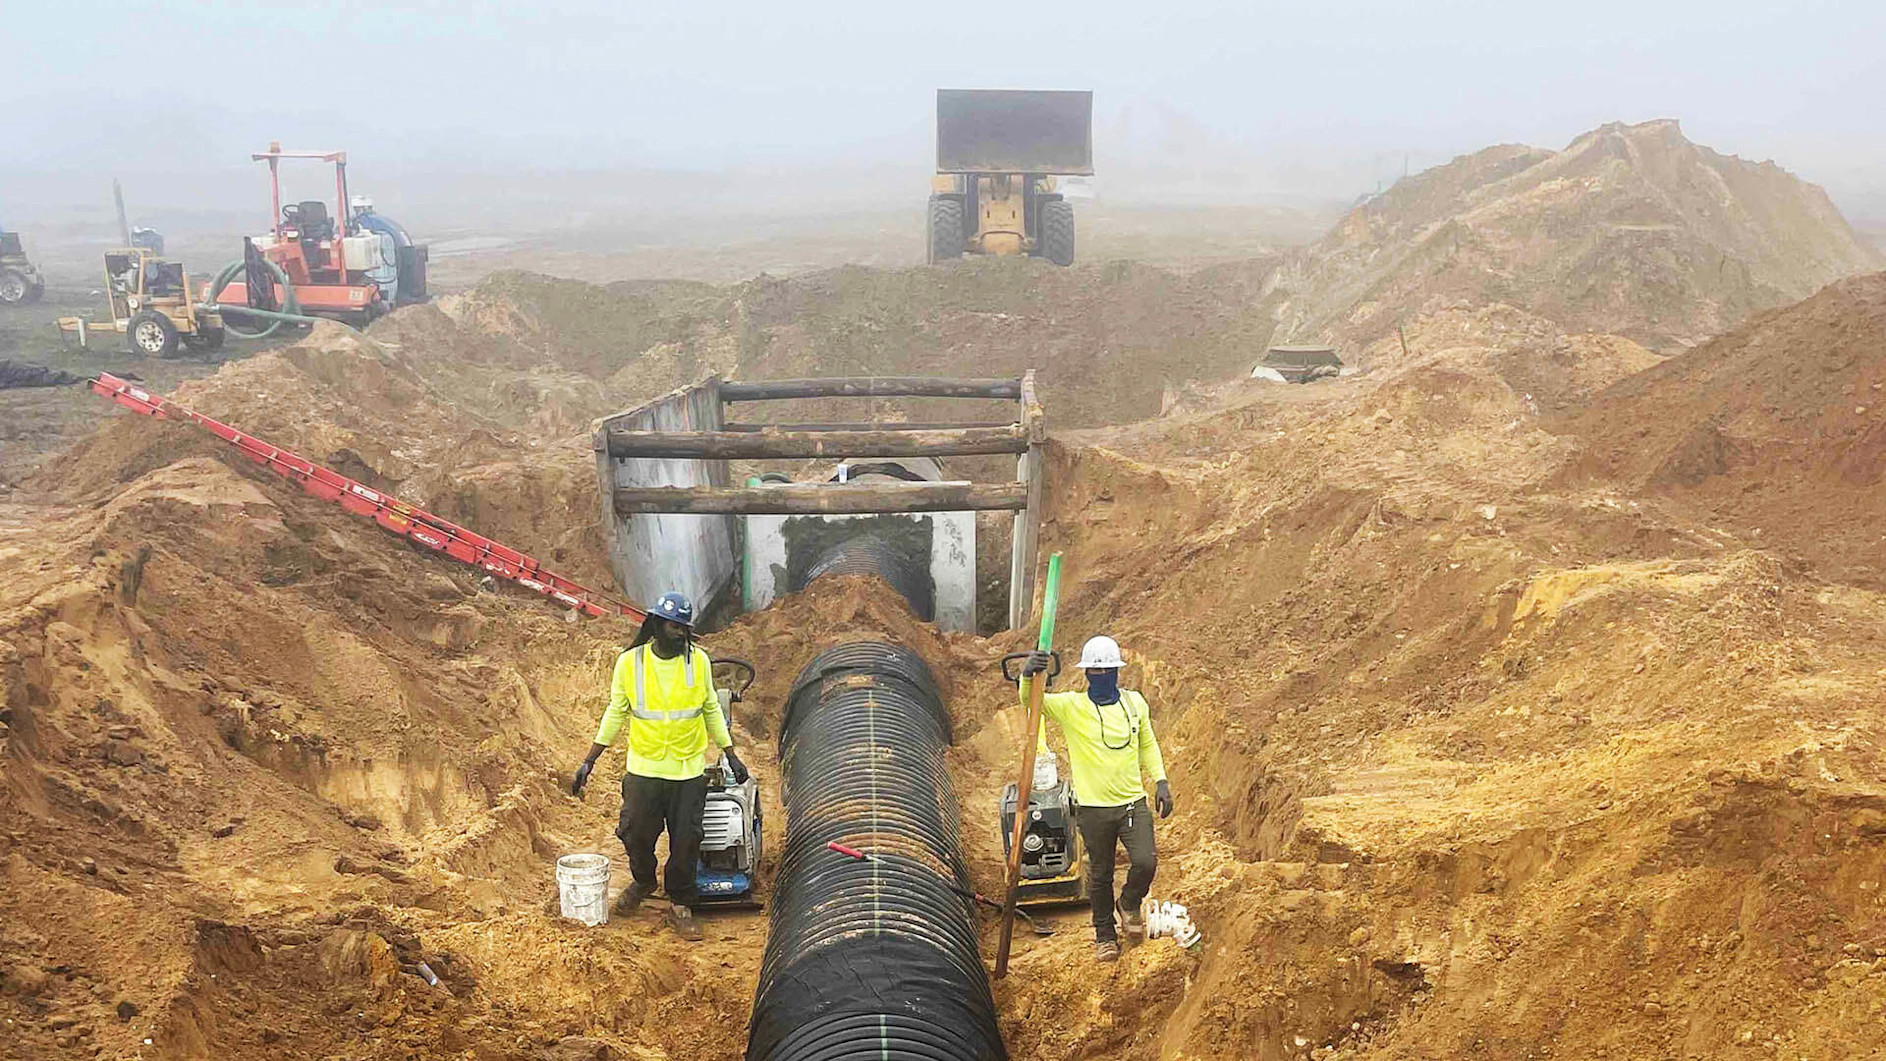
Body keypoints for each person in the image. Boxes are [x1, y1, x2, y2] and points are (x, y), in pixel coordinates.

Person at [572, 591, 748, 941]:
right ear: (656, 624)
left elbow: (710, 708)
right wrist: (589, 760)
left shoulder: (698, 662)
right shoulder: (630, 663)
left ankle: (680, 903)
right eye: (674, 626)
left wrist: (730, 753)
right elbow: (615, 712)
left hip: (687, 770)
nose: (680, 634)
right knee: (634, 833)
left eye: (684, 628)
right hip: (644, 769)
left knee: (686, 841)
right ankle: (643, 881)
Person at [1023, 635, 1173, 963]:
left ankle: (1129, 903)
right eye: (1096, 671)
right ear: (1087, 673)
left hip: (1132, 803)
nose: (1102, 676)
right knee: (1101, 874)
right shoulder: (1072, 707)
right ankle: (1105, 935)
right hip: (1093, 809)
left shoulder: (1135, 704)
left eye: (1108, 671)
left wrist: (1161, 780)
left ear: (1117, 672)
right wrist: (1027, 676)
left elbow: (1148, 743)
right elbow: (1032, 702)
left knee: (1145, 862)